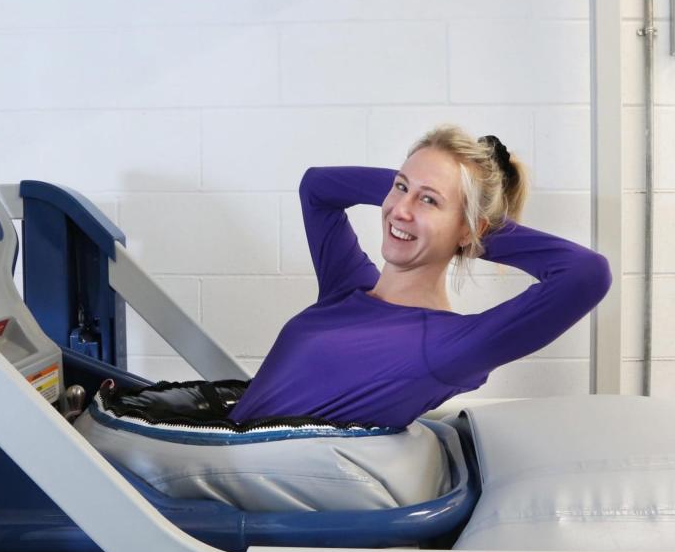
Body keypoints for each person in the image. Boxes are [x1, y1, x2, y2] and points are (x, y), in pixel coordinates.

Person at [228, 124, 613, 429]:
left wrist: (471, 234)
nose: (400, 211)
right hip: (209, 468)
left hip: (244, 496)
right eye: (400, 187)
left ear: (468, 229)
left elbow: (586, 273)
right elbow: (317, 187)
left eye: (429, 200)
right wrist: (420, 194)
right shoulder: (346, 289)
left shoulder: (447, 347)